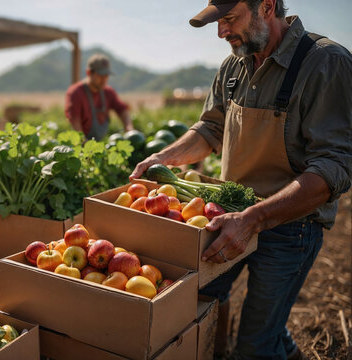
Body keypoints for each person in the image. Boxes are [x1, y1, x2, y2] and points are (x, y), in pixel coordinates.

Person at [131, 1, 351, 359]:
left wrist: (254, 219)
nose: (221, 32)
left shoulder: (326, 62)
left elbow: (333, 168)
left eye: (229, 19)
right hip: (227, 215)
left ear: (266, 7)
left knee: (254, 345)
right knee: (199, 307)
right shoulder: (234, 65)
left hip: (291, 225)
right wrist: (164, 158)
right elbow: (211, 128)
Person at [65, 54, 133, 140]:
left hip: (99, 144)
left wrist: (129, 128)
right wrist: (86, 146)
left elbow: (122, 109)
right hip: (79, 145)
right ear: (89, 73)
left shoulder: (108, 92)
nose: (104, 80)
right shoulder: (75, 93)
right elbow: (75, 124)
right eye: (100, 75)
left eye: (106, 76)